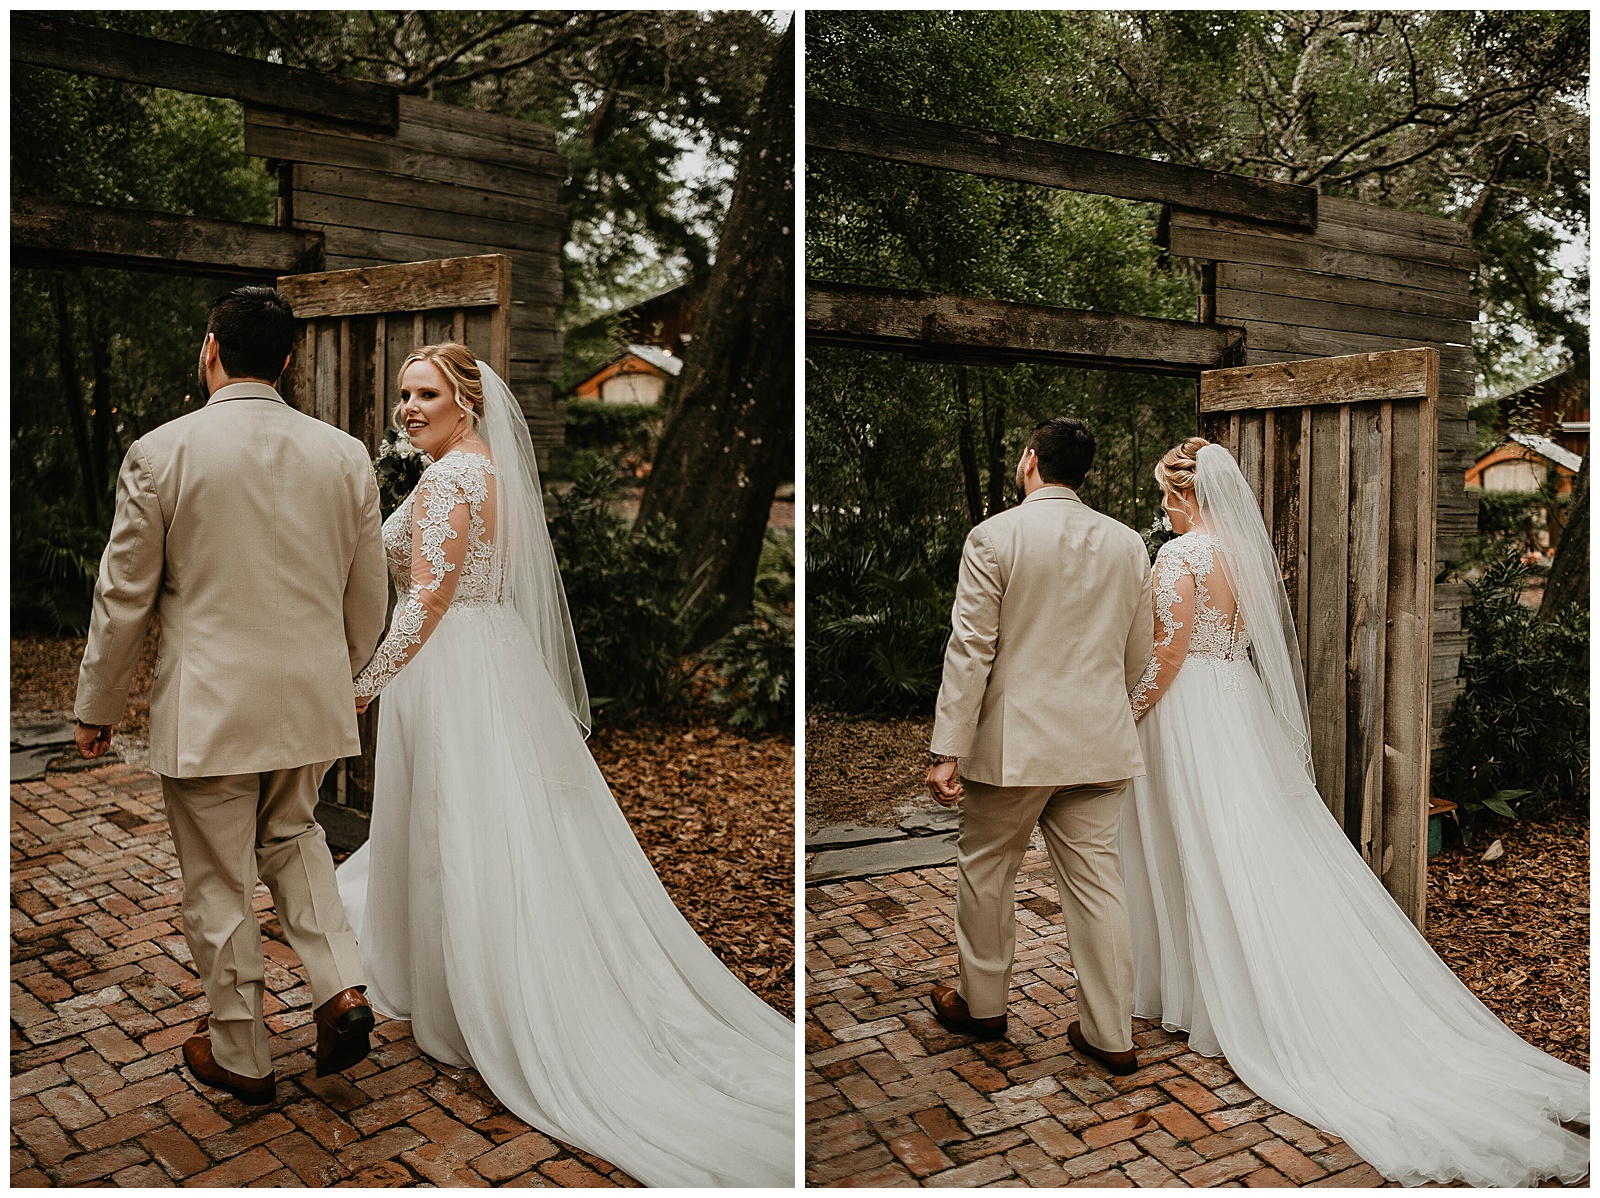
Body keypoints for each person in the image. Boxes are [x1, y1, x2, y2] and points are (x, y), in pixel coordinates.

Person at [334, 343, 793, 1188]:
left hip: (449, 667)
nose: (407, 407)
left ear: (466, 400)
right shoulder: (488, 471)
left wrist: (363, 687)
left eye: (424, 393)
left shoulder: (445, 482)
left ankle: (477, 999)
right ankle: (469, 968)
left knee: (461, 828)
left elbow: (429, 598)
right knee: (505, 826)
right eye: (403, 394)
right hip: (493, 655)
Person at [1122, 436, 1589, 1187]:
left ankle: (1218, 994)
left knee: (1204, 846)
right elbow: (1237, 641)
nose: (1164, 512)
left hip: (1191, 716)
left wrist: (1127, 708)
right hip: (1238, 708)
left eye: (1167, 498)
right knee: (1254, 844)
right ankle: (1213, 980)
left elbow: (1170, 654)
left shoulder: (1179, 558)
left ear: (1187, 496)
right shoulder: (1248, 555)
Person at [74, 286, 389, 1106]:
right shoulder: (345, 454)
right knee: (295, 836)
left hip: (211, 707)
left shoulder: (161, 452)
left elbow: (124, 595)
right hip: (311, 696)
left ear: (211, 348)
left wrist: (97, 706)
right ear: (287, 361)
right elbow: (369, 597)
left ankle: (243, 1053)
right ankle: (341, 987)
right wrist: (343, 673)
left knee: (217, 877)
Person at [923, 417, 1154, 1074]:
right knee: (1099, 888)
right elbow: (1138, 654)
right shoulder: (1128, 543)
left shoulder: (995, 537)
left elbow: (972, 651)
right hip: (1100, 742)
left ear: (1030, 461)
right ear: (1082, 474)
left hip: (1016, 749)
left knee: (988, 869)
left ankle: (984, 1004)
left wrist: (948, 749)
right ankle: (1112, 1035)